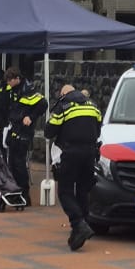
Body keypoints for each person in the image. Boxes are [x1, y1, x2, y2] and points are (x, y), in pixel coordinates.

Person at [47, 83, 103, 250]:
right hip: (90, 153)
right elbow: (98, 130)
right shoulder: (93, 106)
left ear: (64, 94)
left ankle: (78, 223)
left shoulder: (63, 106)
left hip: (71, 153)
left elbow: (49, 131)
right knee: (83, 190)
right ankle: (81, 227)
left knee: (64, 191)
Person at [4, 68, 47, 202]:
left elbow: (43, 103)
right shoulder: (13, 89)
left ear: (17, 78)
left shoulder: (28, 89)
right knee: (11, 162)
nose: (8, 83)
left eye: (10, 81)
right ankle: (14, 191)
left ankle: (24, 194)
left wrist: (31, 117)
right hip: (14, 127)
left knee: (19, 163)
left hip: (24, 131)